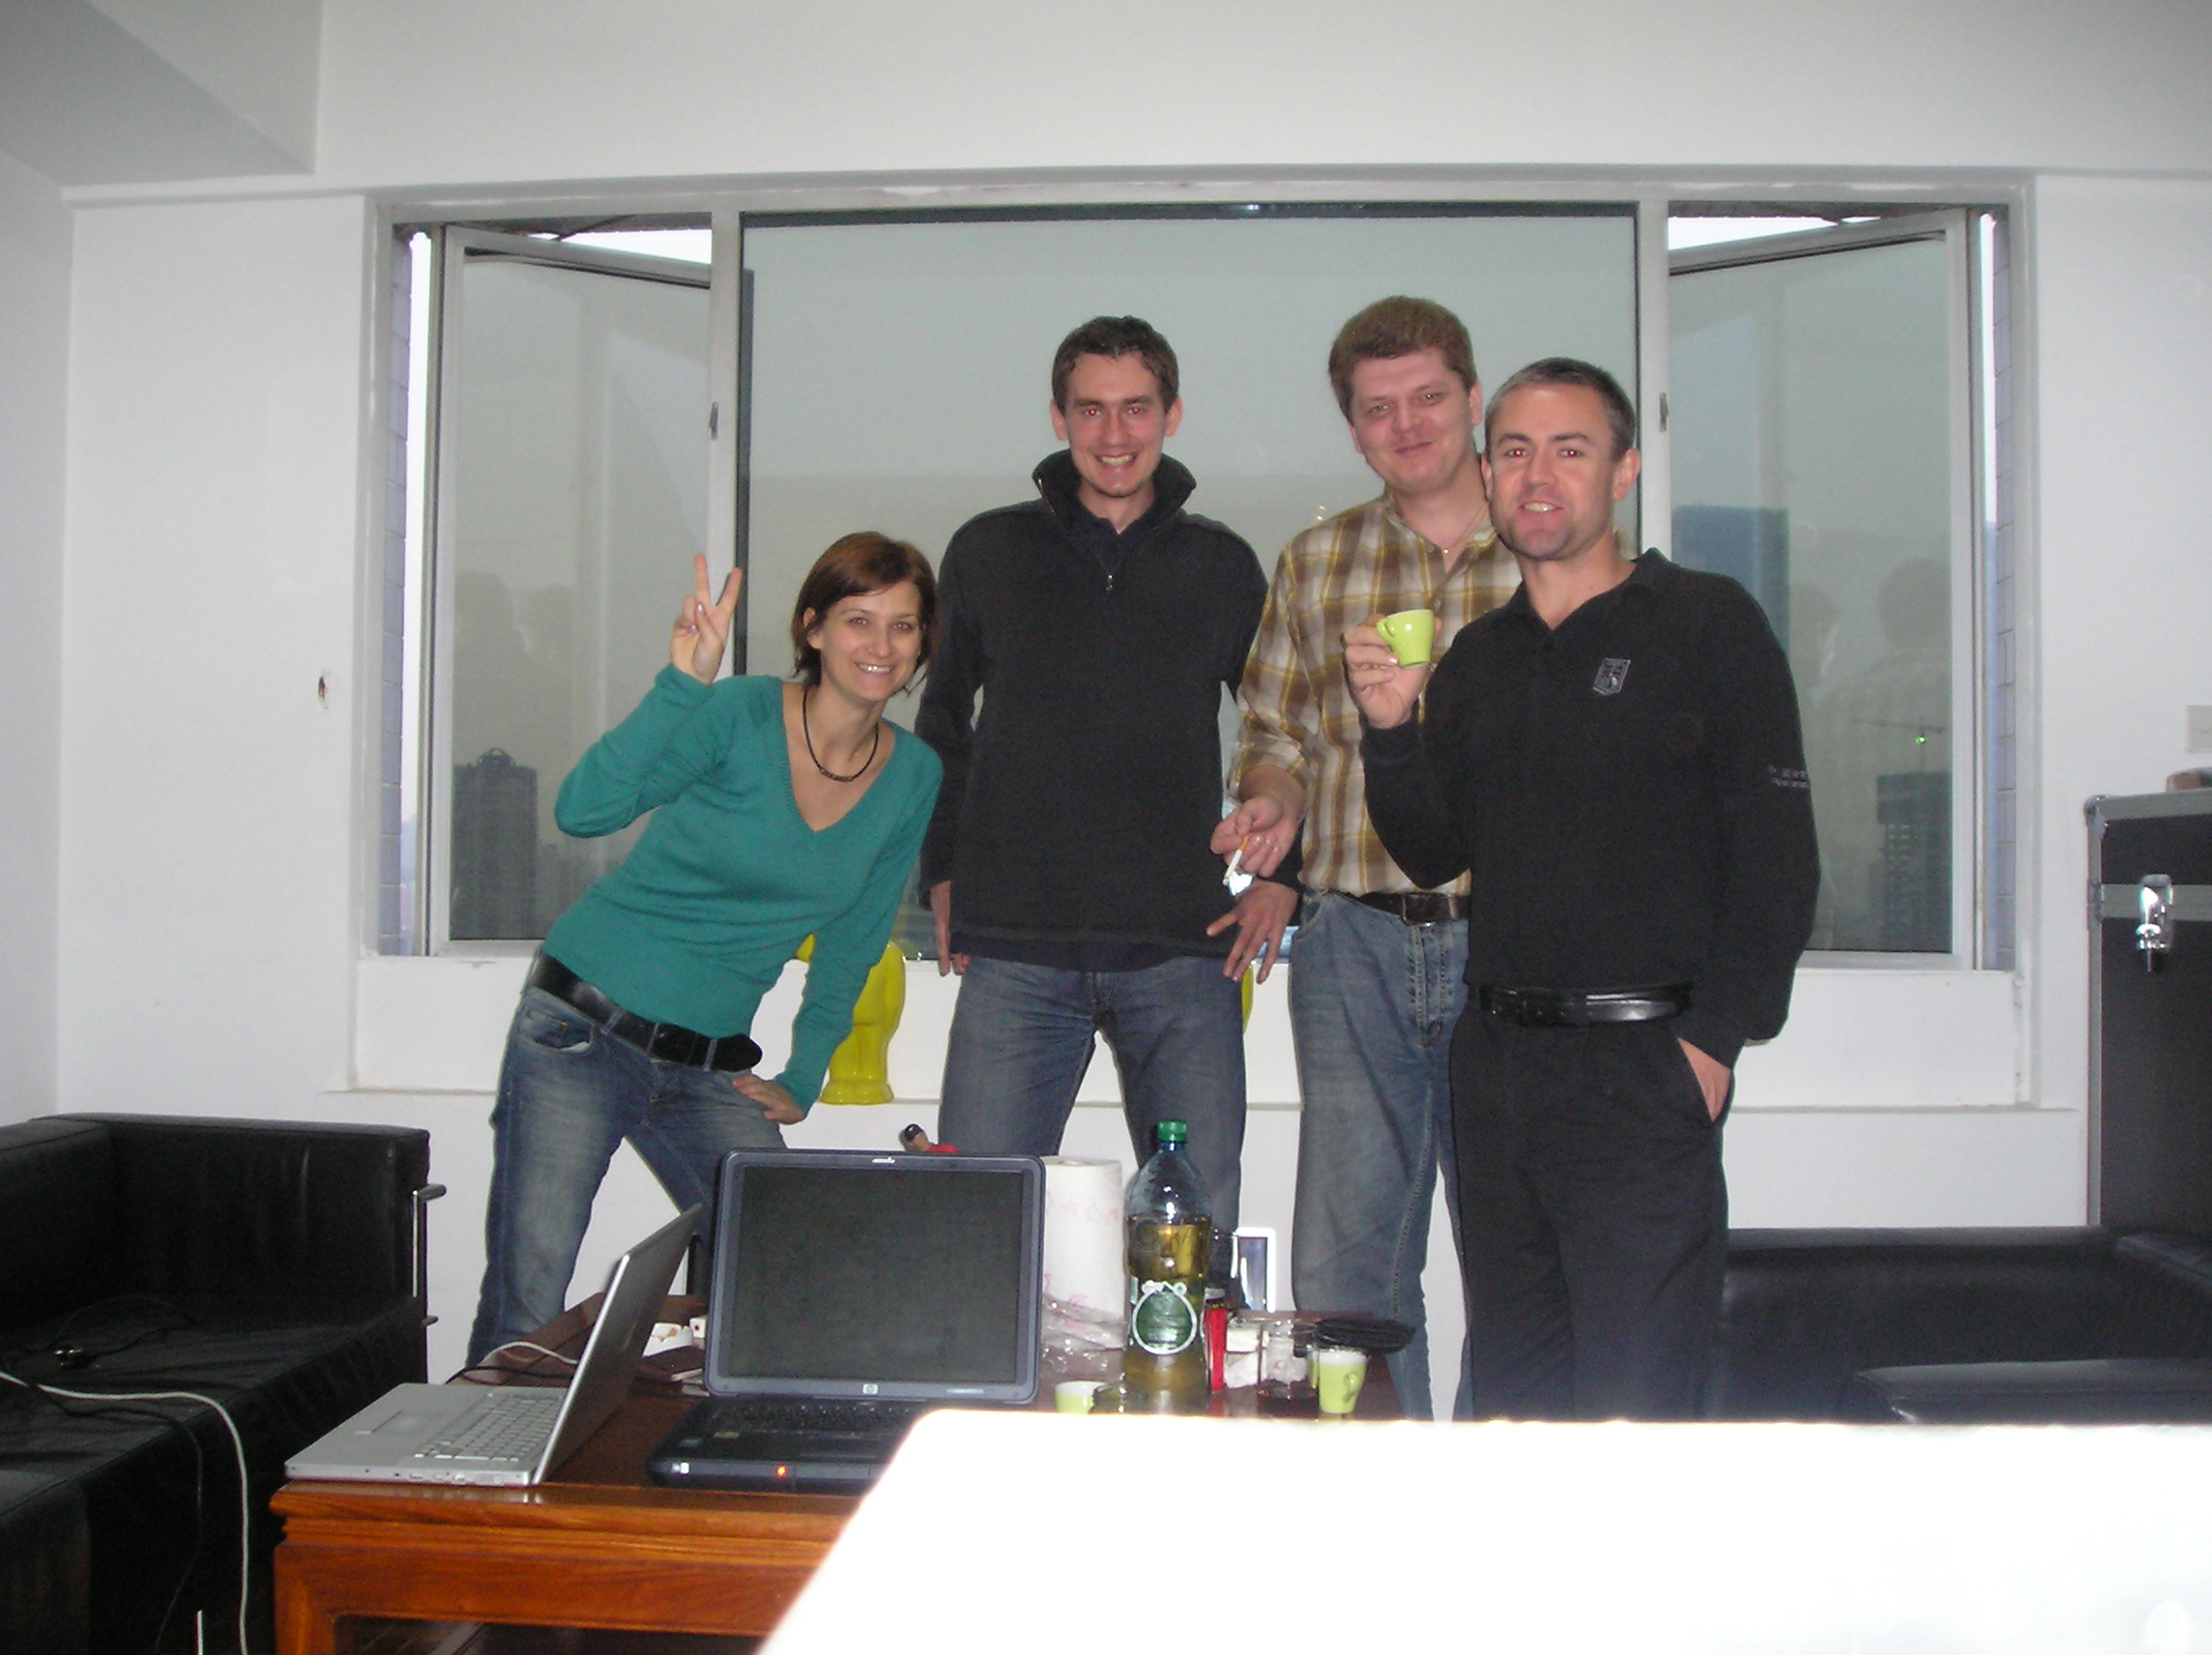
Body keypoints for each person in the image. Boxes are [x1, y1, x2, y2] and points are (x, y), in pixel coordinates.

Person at [1350, 358, 1819, 1419]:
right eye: (1514, 451)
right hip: (1496, 1068)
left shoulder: (1707, 623)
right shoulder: (1478, 656)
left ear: (1624, 469)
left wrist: (1713, 1043)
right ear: (1487, 472)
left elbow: (1777, 858)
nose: (1537, 475)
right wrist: (1389, 731)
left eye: (1570, 449)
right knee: (1515, 1403)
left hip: (1642, 1067)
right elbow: (1430, 851)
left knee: (1632, 1410)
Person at [467, 534, 942, 1365]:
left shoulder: (913, 774)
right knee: (529, 1299)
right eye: (858, 619)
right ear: (813, 628)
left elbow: (856, 938)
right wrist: (682, 685)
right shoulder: (740, 714)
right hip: (581, 1029)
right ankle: (477, 1449)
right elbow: (583, 811)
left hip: (708, 1067)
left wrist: (805, 1074)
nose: (881, 645)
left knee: (784, 1262)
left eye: (902, 626)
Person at [916, 315, 1289, 1234]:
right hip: (1016, 949)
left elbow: (1284, 729)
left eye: (1135, 408)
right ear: (1058, 417)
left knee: (1197, 1231)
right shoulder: (987, 551)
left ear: (1171, 415)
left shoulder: (1222, 565)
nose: (1114, 433)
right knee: (977, 1225)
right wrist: (943, 872)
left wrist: (1285, 876)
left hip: (1180, 947)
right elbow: (941, 725)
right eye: (1090, 409)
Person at [1217, 297, 1518, 1416]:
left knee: (1517, 1254)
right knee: (1344, 1272)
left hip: (1516, 950)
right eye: (1376, 408)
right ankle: (1378, 1498)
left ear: (1471, 398)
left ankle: (1489, 1490)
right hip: (1352, 944)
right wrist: (1269, 801)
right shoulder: (1317, 559)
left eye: (1427, 396)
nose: (1406, 424)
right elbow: (1275, 733)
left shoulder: (1549, 552)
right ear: (1352, 427)